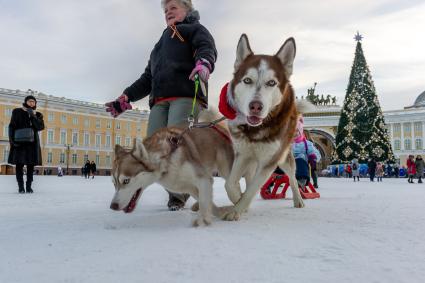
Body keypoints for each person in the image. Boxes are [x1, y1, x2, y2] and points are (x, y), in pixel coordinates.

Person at [105, 0, 217, 211]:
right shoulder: (159, 45)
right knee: (152, 149)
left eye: (173, 7)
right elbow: (148, 78)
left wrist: (204, 63)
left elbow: (206, 48)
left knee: (177, 145)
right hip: (159, 101)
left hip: (185, 95)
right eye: (165, 10)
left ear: (187, 9)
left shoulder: (195, 29)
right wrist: (126, 97)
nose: (168, 12)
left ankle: (182, 193)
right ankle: (176, 191)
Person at [8, 95, 45, 193]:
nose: (32, 103)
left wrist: (32, 115)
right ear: (25, 101)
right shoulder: (17, 111)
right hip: (19, 142)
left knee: (30, 166)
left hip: (32, 144)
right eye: (30, 101)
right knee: (19, 166)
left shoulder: (38, 114)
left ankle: (29, 186)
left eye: (34, 101)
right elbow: (11, 126)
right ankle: (21, 187)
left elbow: (40, 127)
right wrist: (12, 141)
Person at [292, 116, 321, 188]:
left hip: (302, 164)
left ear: (300, 132)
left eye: (297, 131)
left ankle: (302, 178)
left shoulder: (307, 143)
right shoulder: (288, 143)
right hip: (289, 164)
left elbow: (316, 153)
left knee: (301, 157)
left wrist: (313, 156)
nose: (295, 133)